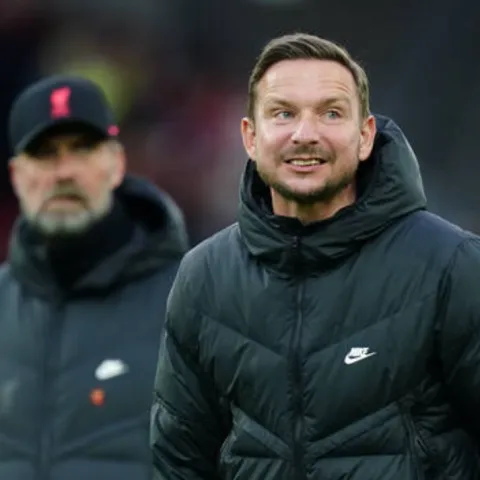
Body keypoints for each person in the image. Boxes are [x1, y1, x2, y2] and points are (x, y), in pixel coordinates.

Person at [150, 32, 480, 479]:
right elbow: (179, 463)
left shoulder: (451, 265)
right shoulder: (203, 277)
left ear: (365, 136)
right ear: (250, 137)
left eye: (331, 113)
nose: (305, 135)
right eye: (283, 113)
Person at [0, 75, 188, 479]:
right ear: (16, 175)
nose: (64, 171)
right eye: (44, 153)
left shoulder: (190, 301)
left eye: (83, 148)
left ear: (117, 164)